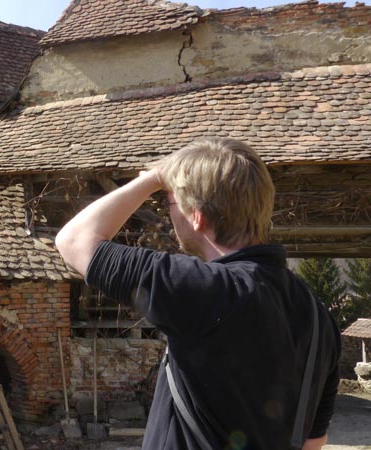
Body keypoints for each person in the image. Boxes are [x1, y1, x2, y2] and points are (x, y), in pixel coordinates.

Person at [55, 138, 340, 450]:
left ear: (197, 217)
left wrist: (153, 178)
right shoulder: (317, 315)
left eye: (170, 203)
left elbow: (74, 241)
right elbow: (314, 442)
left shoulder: (201, 288)